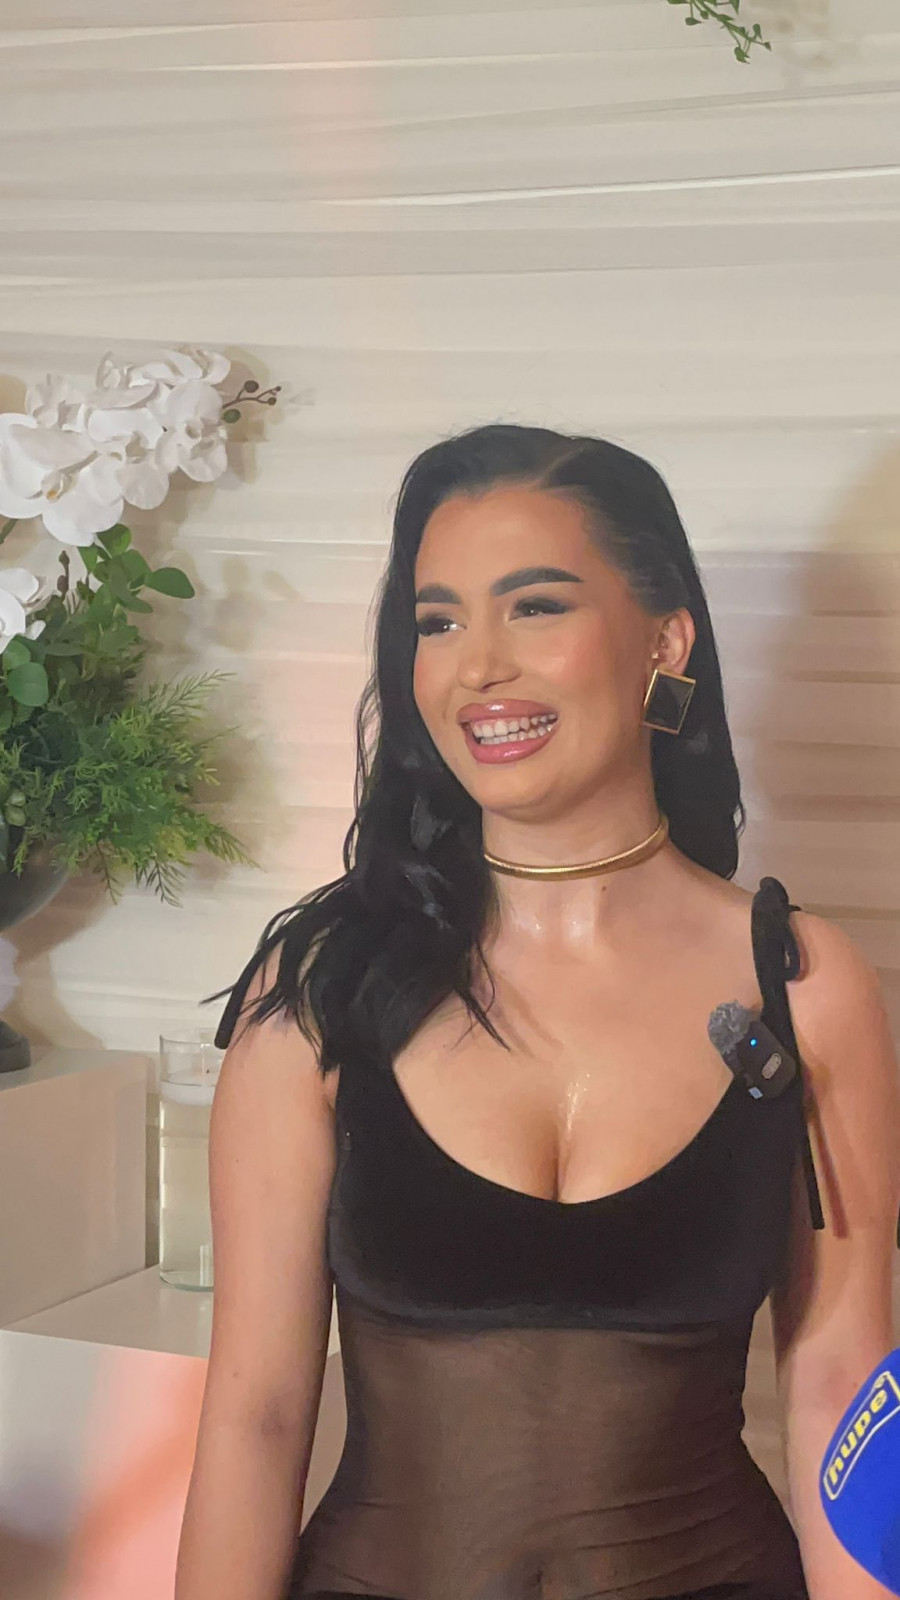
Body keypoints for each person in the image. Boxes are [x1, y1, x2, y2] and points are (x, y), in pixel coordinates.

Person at [174, 425, 900, 1600]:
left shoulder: (804, 984)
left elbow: (843, 1392)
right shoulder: (321, 989)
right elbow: (255, 1415)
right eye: (438, 621)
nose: (478, 666)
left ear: (665, 639)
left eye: (537, 606)